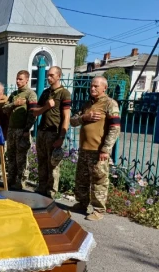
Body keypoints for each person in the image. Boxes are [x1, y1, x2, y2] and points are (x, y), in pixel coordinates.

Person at [70, 76, 120, 221]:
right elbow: (73, 121)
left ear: (105, 88)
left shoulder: (110, 104)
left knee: (99, 180)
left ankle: (98, 210)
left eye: (96, 86)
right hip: (84, 149)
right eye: (91, 86)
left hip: (98, 151)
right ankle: (82, 203)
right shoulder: (87, 105)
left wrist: (106, 149)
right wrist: (85, 117)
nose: (92, 88)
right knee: (82, 179)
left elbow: (115, 128)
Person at [33, 66, 71, 198]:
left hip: (54, 132)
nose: (48, 78)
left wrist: (61, 136)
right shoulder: (45, 93)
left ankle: (51, 193)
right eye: (48, 75)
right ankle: (41, 188)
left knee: (53, 164)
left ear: (59, 76)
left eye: (51, 75)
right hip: (42, 131)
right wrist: (46, 107)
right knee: (42, 162)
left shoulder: (64, 93)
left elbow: (66, 117)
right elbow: (35, 112)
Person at [2, 71, 38, 190]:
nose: (18, 81)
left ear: (27, 80)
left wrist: (27, 129)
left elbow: (33, 114)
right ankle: (10, 178)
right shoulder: (14, 95)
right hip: (12, 130)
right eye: (17, 79)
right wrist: (14, 104)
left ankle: (21, 181)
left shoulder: (30, 94)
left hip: (23, 130)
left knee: (21, 157)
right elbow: (4, 109)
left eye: (21, 79)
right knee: (11, 155)